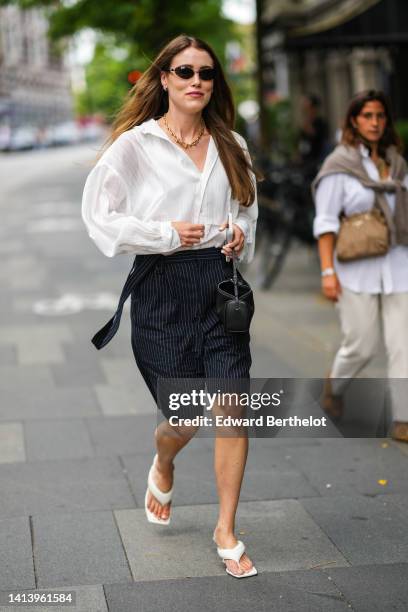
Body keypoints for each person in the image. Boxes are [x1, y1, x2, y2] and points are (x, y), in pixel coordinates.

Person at [81, 34, 259, 578]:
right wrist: (162, 232)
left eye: (206, 73)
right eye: (184, 72)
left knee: (230, 405)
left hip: (219, 286)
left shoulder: (232, 144)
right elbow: (99, 216)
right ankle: (163, 459)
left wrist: (237, 235)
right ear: (165, 80)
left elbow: (248, 213)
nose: (196, 81)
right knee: (183, 416)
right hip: (160, 287)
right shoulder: (136, 146)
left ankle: (226, 527)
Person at [312, 90, 408, 443]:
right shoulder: (340, 165)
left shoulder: (396, 162)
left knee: (404, 344)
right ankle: (334, 385)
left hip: (399, 263)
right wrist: (327, 273)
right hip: (355, 268)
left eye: (380, 116)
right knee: (362, 345)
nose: (374, 122)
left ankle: (403, 419)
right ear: (354, 120)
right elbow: (325, 223)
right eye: (367, 115)